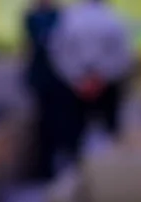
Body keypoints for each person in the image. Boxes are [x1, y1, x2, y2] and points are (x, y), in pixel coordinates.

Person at [49, 0, 134, 161]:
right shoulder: (113, 19)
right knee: (80, 133)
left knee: (100, 133)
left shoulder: (69, 18)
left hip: (92, 84)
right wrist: (91, 79)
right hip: (91, 85)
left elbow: (57, 52)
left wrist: (81, 79)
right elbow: (124, 55)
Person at [23, 0, 66, 180]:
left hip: (59, 78)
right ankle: (44, 168)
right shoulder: (31, 17)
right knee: (42, 125)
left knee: (60, 123)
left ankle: (59, 167)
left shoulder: (60, 16)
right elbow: (31, 45)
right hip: (41, 78)